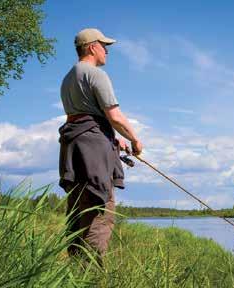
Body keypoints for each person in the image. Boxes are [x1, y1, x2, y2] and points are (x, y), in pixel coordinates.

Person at [58, 28, 143, 263]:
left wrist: (113, 138)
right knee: (99, 209)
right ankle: (92, 275)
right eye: (104, 45)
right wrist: (135, 140)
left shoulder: (68, 78)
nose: (106, 51)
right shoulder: (96, 75)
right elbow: (114, 117)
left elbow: (79, 118)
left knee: (78, 208)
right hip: (94, 153)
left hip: (74, 150)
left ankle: (75, 269)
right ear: (92, 47)